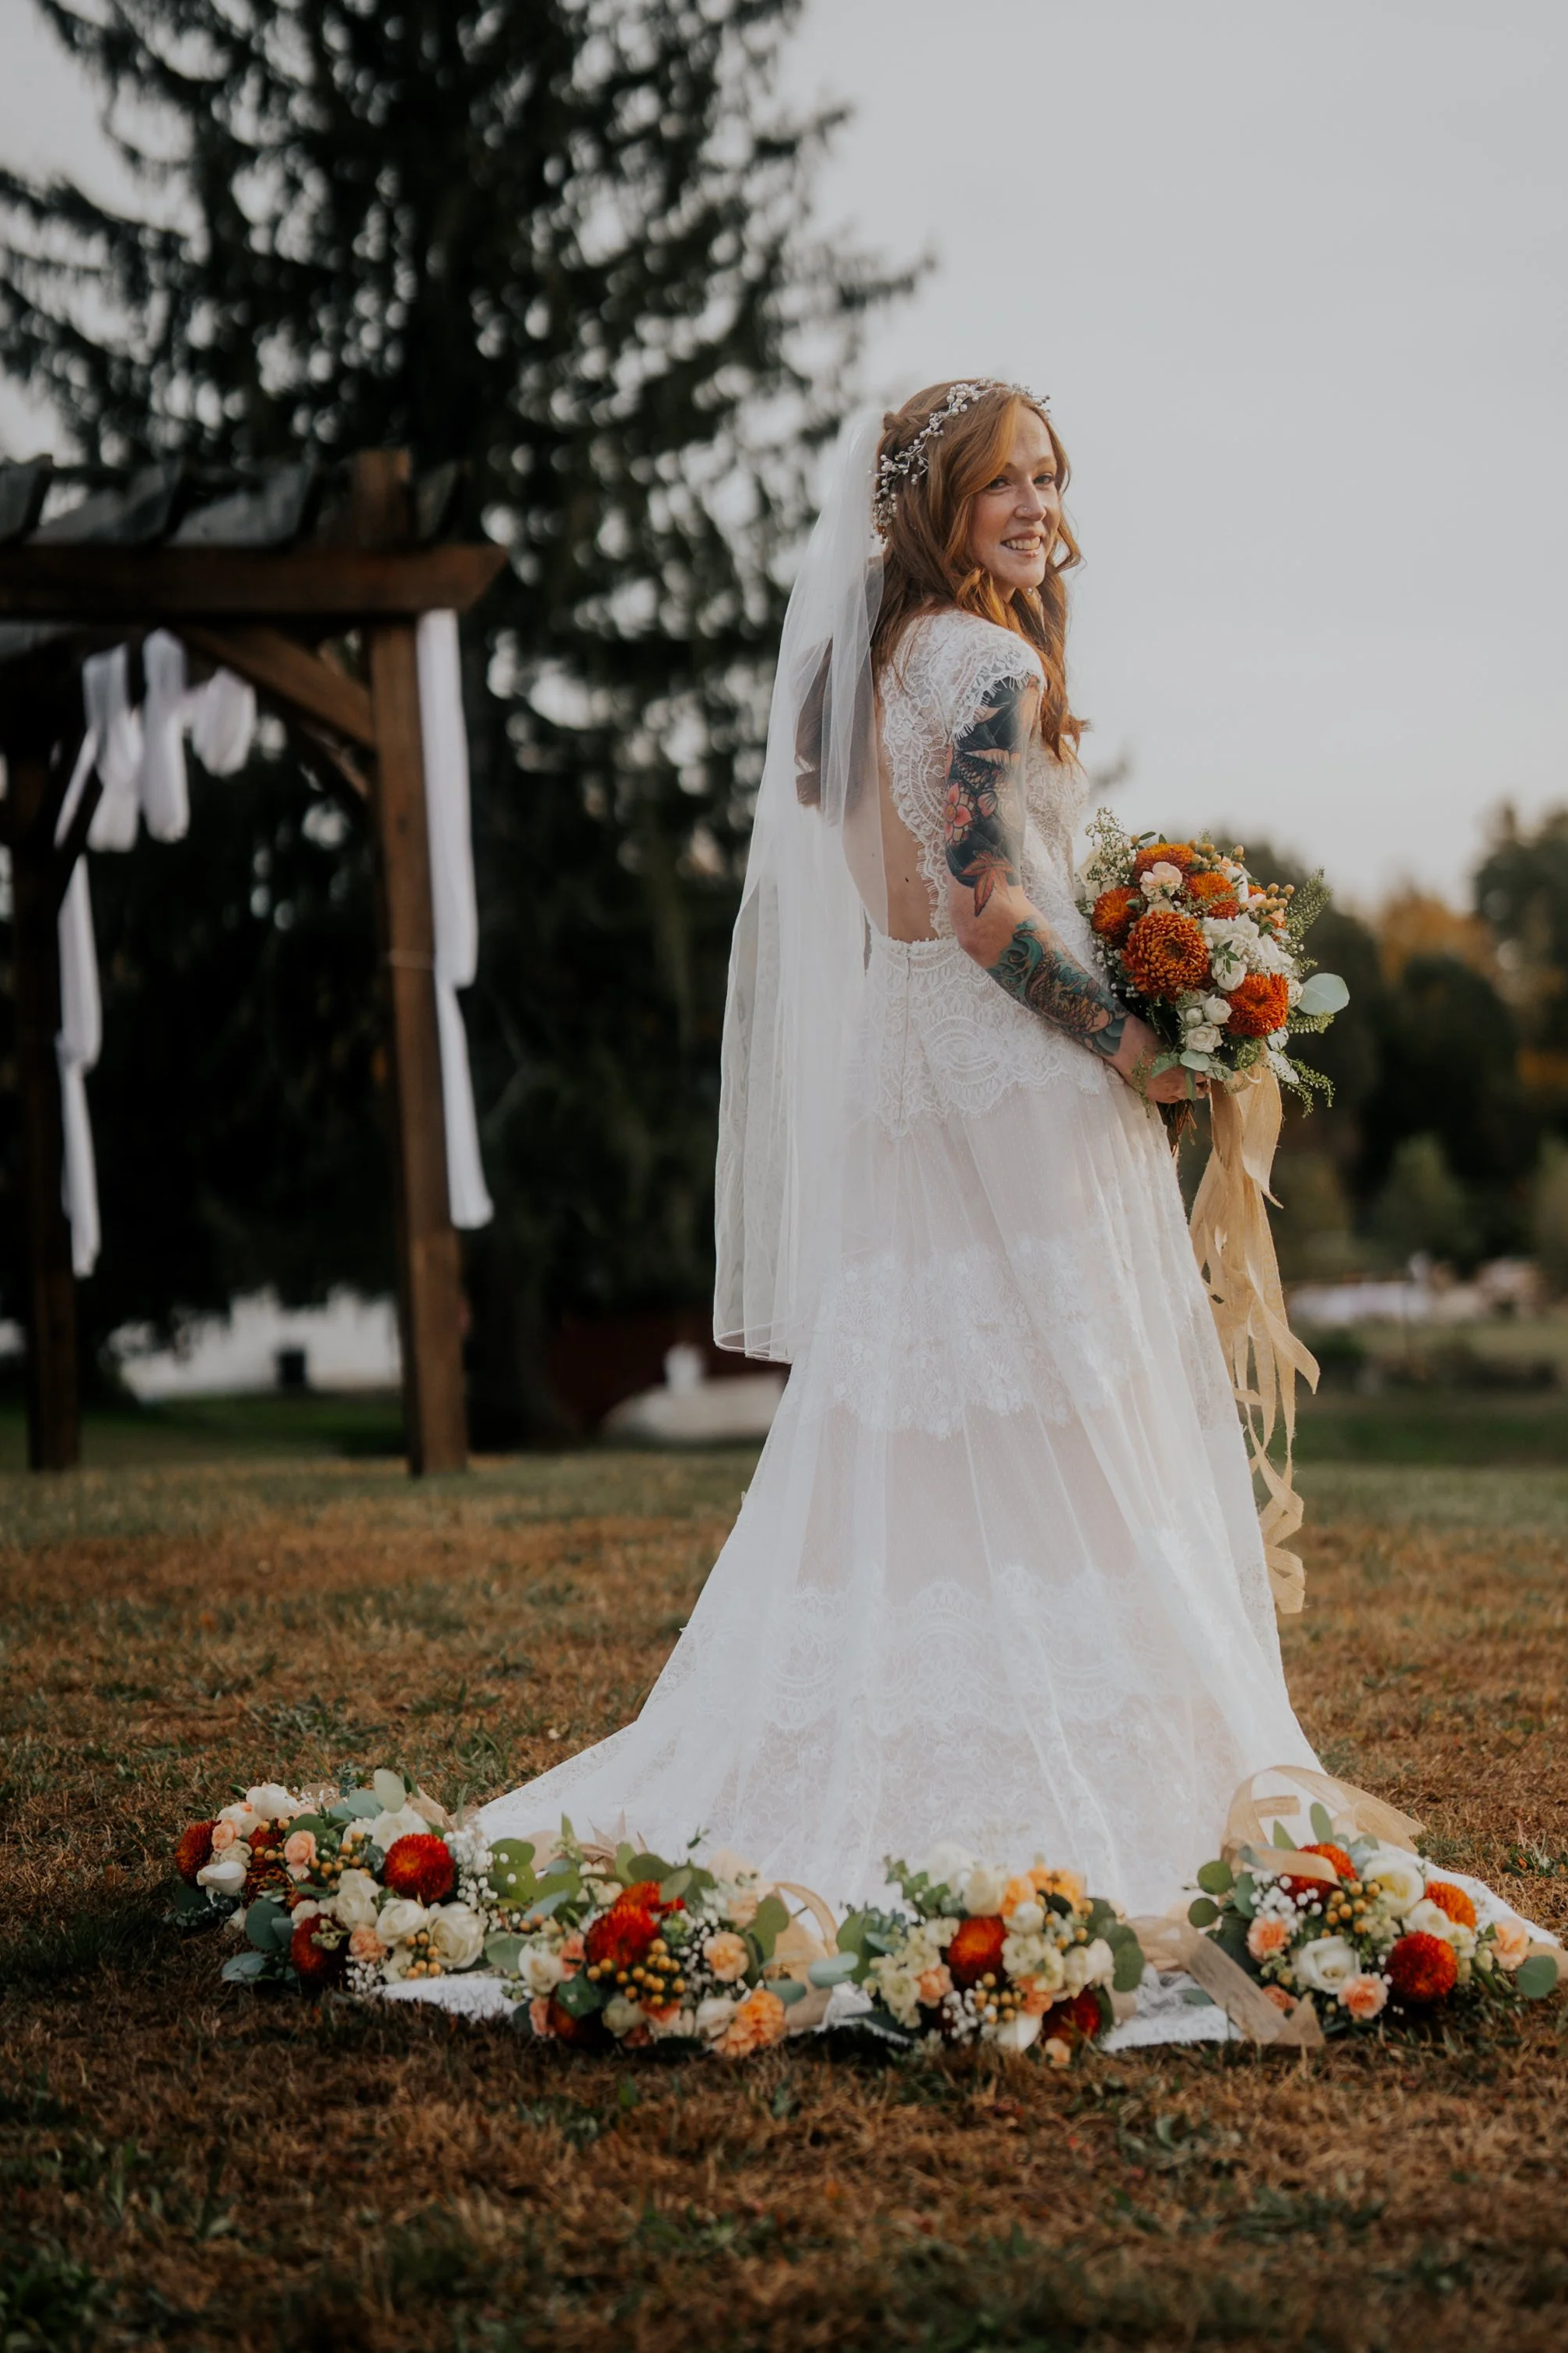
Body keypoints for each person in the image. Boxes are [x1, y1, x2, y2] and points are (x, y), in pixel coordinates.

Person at [478, 380, 1324, 1914]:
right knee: (1062, 1397)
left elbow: (896, 899)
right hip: (1012, 1069)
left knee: (939, 1398)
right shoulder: (986, 660)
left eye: (1053, 478)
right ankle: (1089, 1738)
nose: (1040, 506)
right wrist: (1132, 1037)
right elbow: (986, 906)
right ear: (936, 505)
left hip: (911, 1058)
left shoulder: (865, 669)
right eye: (1007, 481)